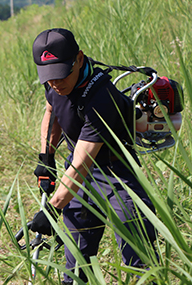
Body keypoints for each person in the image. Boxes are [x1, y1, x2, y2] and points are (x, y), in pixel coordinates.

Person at [27, 28, 156, 284]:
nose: (55, 83)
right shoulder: (54, 82)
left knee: (140, 261)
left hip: (116, 174)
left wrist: (52, 210)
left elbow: (82, 163)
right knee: (76, 265)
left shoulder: (100, 97)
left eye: (60, 75)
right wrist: (46, 158)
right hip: (79, 173)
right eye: (48, 76)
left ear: (79, 58)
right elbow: (51, 111)